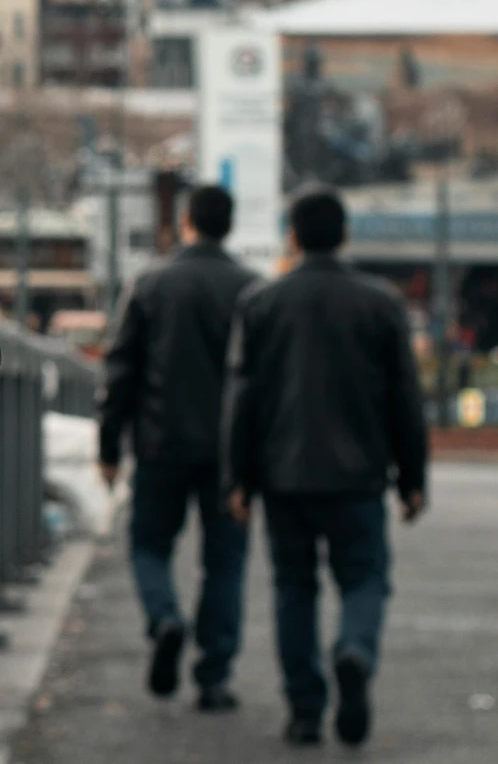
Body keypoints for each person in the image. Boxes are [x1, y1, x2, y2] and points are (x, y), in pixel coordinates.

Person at [224, 188, 429, 748]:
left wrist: (237, 478)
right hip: (359, 477)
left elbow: (242, 398)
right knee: (364, 579)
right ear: (345, 235)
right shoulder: (381, 302)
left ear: (292, 236)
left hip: (283, 474)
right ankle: (355, 651)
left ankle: (305, 711)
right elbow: (405, 400)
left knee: (295, 588)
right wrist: (412, 479)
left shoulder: (261, 302)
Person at [97, 184, 257, 711]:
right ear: (229, 226)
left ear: (187, 222)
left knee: (149, 546)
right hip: (231, 454)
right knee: (225, 564)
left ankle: (165, 617)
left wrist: (110, 446)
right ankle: (213, 678)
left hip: (161, 443)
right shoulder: (252, 290)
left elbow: (121, 370)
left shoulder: (152, 283)